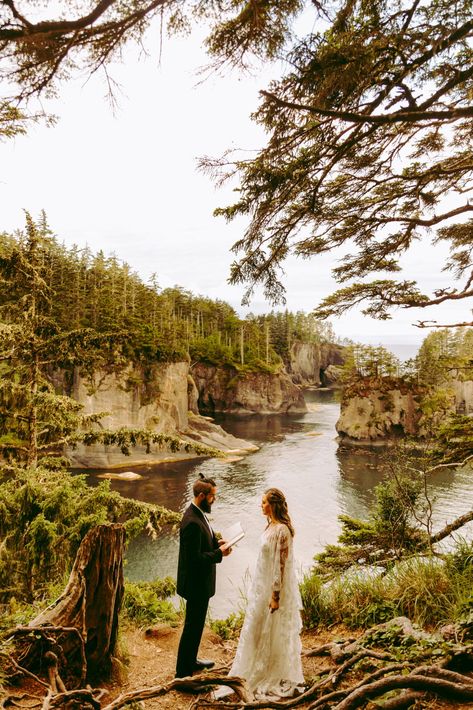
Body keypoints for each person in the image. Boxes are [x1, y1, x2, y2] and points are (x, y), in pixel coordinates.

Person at [229, 488, 304, 700]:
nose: (261, 505)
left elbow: (281, 566)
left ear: (274, 505)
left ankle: (269, 670)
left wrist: (275, 596)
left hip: (271, 590)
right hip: (260, 587)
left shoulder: (283, 531)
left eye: (264, 502)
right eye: (261, 502)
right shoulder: (270, 525)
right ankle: (251, 666)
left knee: (271, 630)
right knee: (255, 628)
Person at [175, 473, 231, 678]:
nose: (214, 499)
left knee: (197, 626)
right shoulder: (191, 521)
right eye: (212, 496)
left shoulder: (198, 513)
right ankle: (182, 673)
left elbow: (205, 540)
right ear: (201, 495)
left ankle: (191, 661)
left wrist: (219, 544)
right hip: (195, 585)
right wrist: (219, 554)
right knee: (191, 627)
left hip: (200, 584)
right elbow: (194, 559)